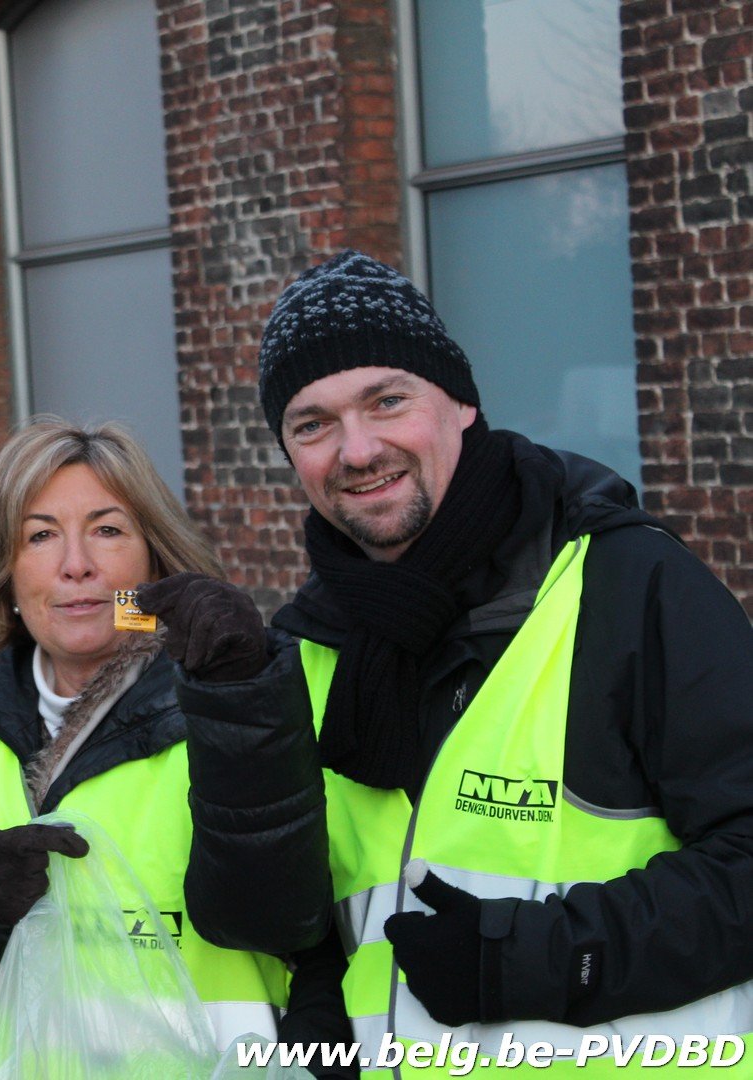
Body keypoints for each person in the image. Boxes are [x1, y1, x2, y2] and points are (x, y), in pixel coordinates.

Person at [141, 250, 753, 1071]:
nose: (356, 451)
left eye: (387, 401)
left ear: (461, 402)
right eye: (312, 424)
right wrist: (237, 701)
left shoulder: (622, 582)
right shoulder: (313, 641)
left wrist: (541, 959)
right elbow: (289, 925)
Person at [0, 418, 292, 1077]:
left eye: (107, 530)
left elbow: (284, 920)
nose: (76, 565)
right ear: (7, 578)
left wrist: (240, 704)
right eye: (40, 536)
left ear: (155, 561)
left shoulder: (230, 700)